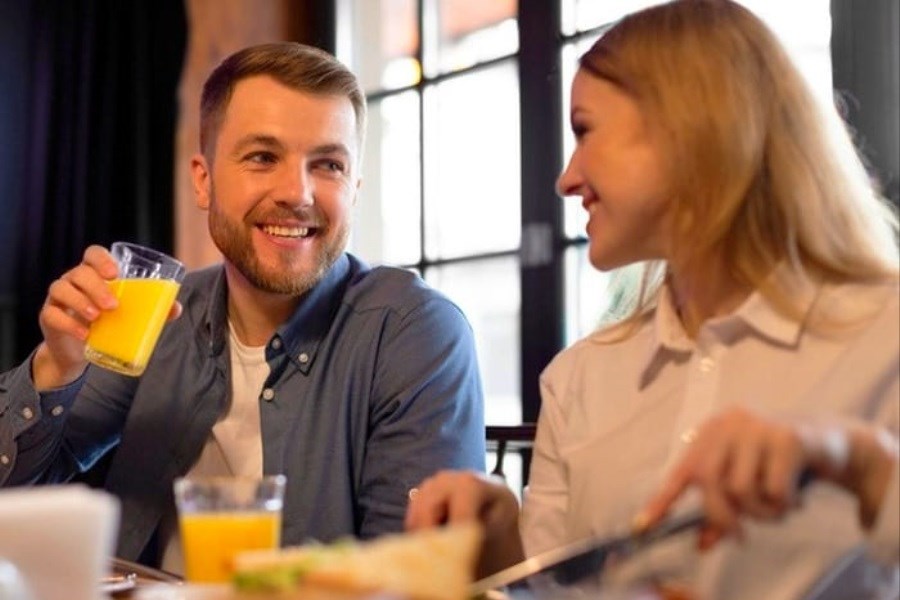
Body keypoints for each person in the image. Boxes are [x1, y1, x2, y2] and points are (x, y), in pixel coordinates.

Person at [405, 1, 899, 598]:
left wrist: (860, 461)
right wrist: (502, 546)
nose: (566, 179)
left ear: (690, 126)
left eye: (585, 131)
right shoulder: (579, 379)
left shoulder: (886, 337)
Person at [0, 42, 486, 573]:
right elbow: (14, 490)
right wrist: (56, 367)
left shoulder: (413, 332)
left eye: (328, 164)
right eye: (263, 157)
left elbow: (418, 575)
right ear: (203, 180)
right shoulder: (162, 317)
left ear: (354, 189)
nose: (298, 193)